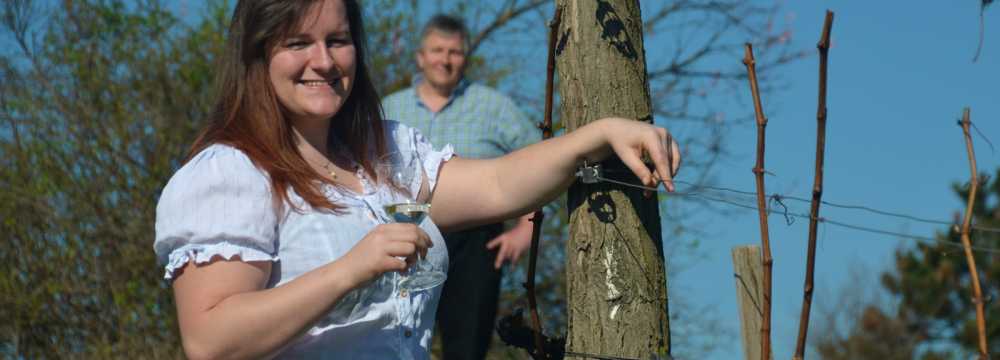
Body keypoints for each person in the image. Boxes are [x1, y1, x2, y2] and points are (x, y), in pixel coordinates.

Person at [152, 0, 681, 359]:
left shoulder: (385, 155)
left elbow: (499, 184)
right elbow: (211, 341)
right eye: (298, 43)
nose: (324, 60)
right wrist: (349, 270)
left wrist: (597, 135)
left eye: (338, 40)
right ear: (258, 53)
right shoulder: (232, 173)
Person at [381, 14, 540, 359]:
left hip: (475, 242)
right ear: (421, 57)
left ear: (465, 58)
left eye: (454, 52)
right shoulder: (390, 108)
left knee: (467, 348)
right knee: (392, 341)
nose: (445, 60)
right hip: (405, 238)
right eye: (437, 50)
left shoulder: (494, 107)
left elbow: (539, 162)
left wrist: (526, 229)